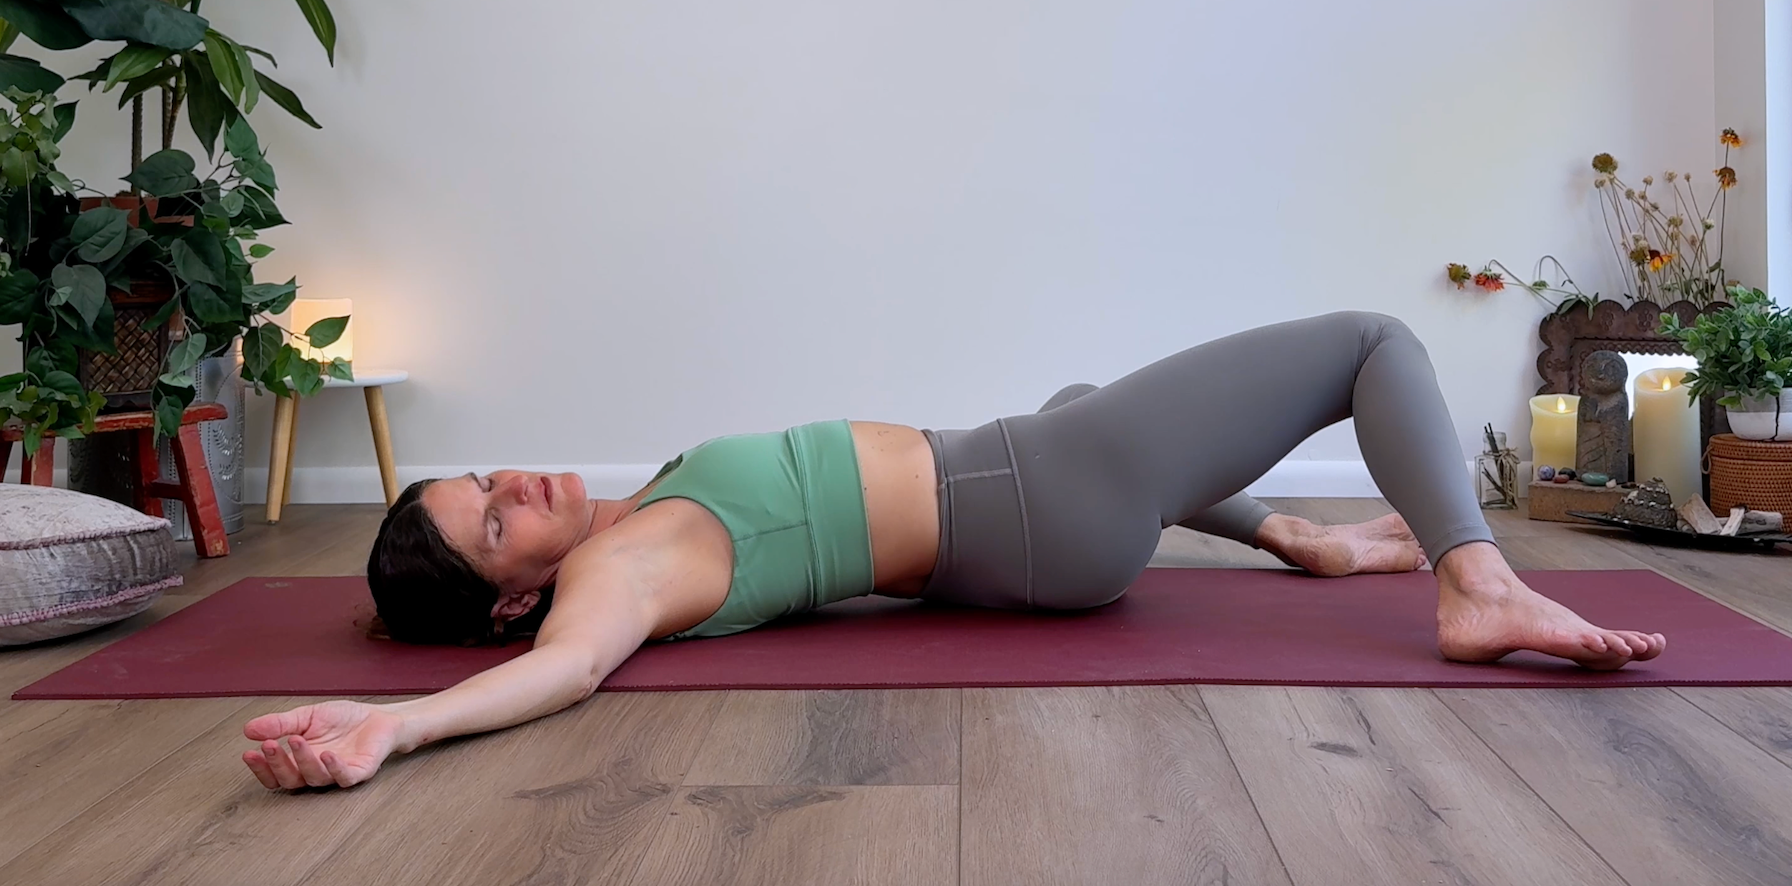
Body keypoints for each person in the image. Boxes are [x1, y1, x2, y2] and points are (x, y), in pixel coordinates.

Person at [240, 311, 1668, 791]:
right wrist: (398, 726)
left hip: (1036, 503)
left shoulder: (636, 523)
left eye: (491, 476)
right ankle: (1472, 583)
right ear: (513, 595)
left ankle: (1301, 536)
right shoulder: (619, 574)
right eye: (499, 521)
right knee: (1375, 341)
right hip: (1046, 495)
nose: (526, 485)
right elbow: (563, 673)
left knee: (1065, 398)